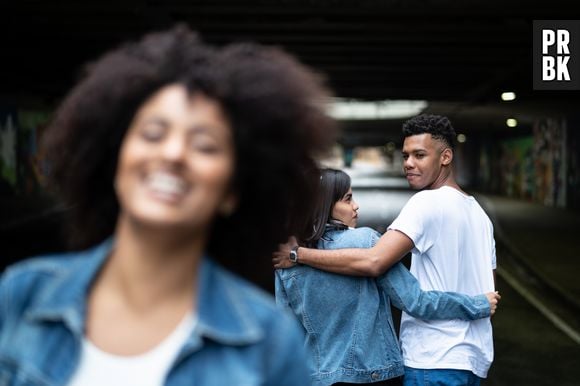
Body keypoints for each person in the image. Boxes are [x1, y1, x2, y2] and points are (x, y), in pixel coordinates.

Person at [0, 25, 336, 386]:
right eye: (153, 133)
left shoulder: (270, 344)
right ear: (114, 159)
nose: (173, 154)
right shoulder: (24, 293)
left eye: (204, 145)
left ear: (233, 190)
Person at [274, 115, 498, 386]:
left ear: (446, 156)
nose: (408, 164)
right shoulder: (480, 215)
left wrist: (299, 255)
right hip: (474, 358)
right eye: (405, 156)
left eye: (419, 155)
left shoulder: (426, 203)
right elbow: (487, 290)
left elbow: (375, 260)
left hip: (433, 357)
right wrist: (479, 305)